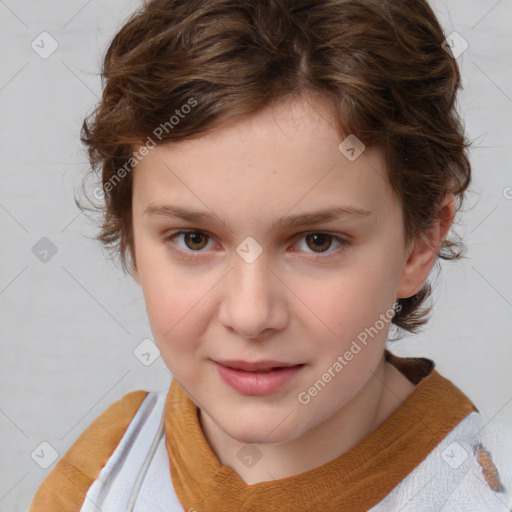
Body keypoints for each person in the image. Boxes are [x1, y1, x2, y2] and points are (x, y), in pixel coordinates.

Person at [29, 0, 512, 510]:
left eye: (317, 241)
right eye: (194, 238)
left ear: (420, 243)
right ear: (130, 236)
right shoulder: (99, 479)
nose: (250, 314)